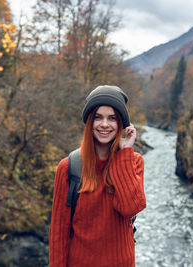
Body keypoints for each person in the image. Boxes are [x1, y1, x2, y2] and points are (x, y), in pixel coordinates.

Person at [49, 85, 146, 267]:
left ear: (121, 124)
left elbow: (129, 208)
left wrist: (124, 154)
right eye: (97, 117)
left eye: (112, 118)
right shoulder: (69, 167)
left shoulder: (134, 162)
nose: (104, 124)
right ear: (89, 122)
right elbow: (58, 234)